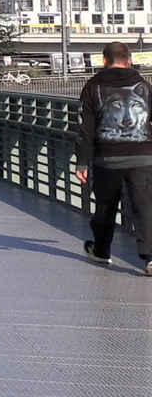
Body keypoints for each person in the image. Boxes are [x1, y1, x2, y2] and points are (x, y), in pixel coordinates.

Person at [75, 42, 152, 274]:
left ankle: (101, 251)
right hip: (143, 157)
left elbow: (85, 128)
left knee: (105, 206)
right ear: (129, 60)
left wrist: (81, 161)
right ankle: (150, 258)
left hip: (106, 159)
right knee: (145, 207)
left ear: (104, 60)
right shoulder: (144, 86)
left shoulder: (92, 86)